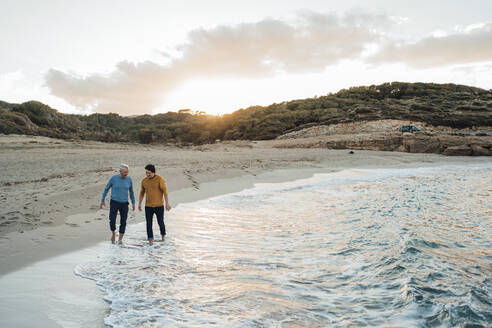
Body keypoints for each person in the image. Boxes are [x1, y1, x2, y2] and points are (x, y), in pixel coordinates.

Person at [100, 164, 136, 244]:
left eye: (127, 172)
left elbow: (131, 192)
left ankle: (120, 239)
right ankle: (113, 233)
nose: (126, 174)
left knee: (123, 222)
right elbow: (106, 189)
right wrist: (102, 200)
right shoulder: (113, 178)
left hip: (124, 203)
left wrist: (133, 202)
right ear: (120, 171)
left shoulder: (129, 180)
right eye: (124, 172)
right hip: (114, 202)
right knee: (112, 220)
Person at [138, 164, 171, 245]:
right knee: (149, 224)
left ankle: (163, 237)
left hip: (159, 206)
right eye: (146, 173)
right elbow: (142, 193)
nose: (147, 175)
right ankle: (150, 241)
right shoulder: (144, 181)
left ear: (153, 172)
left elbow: (165, 192)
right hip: (148, 206)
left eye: (149, 173)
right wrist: (139, 203)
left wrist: (167, 203)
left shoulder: (159, 179)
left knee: (160, 223)